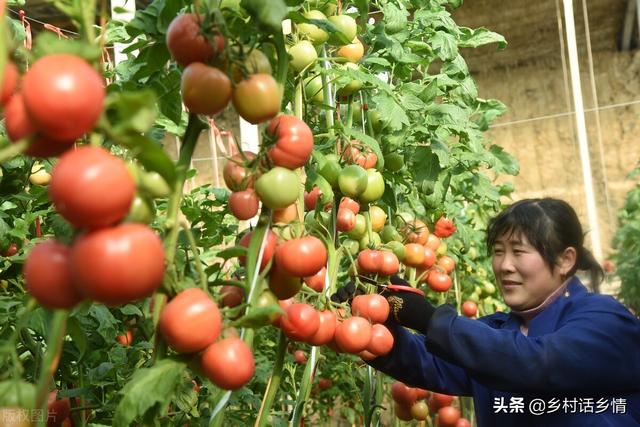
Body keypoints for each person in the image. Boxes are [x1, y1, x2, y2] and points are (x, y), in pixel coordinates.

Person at [358, 198, 640, 426]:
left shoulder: (607, 321)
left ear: (565, 260)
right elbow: (428, 362)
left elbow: (538, 363)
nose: (504, 265)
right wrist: (370, 319)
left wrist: (428, 318)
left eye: (518, 251)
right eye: (498, 251)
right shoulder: (499, 330)